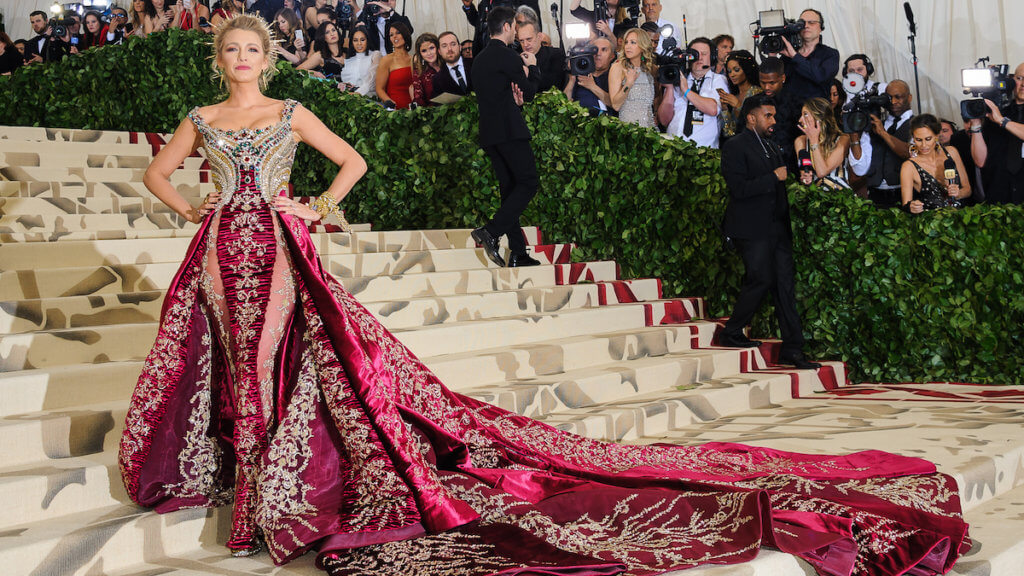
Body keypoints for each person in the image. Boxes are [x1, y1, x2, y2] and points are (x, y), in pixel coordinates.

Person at [119, 15, 970, 574]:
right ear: (218, 59)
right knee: (230, 359)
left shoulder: (289, 109)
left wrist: (316, 205)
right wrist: (195, 202)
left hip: (275, 242)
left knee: (266, 356)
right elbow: (158, 172)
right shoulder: (202, 115)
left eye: (251, 51)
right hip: (215, 245)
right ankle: (249, 487)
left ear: (267, 58)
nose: (241, 60)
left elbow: (354, 162)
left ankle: (259, 511)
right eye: (231, 51)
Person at [720, 93, 821, 370]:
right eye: (768, 115)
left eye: (774, 115)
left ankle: (793, 348)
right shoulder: (735, 146)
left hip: (777, 226)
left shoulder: (772, 145)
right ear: (751, 118)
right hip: (751, 228)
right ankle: (732, 330)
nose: (773, 120)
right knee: (761, 279)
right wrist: (772, 178)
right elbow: (738, 189)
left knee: (785, 287)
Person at [470, 6, 541, 268]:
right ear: (508, 26)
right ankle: (490, 231)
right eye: (515, 27)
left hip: (489, 134)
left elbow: (500, 95)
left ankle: (519, 253)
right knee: (528, 182)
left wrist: (515, 100)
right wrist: (532, 68)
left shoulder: (478, 59)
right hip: (510, 130)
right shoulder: (509, 56)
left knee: (510, 190)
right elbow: (530, 91)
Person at [969, 63, 1024, 205]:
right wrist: (975, 125)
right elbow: (980, 161)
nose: (1023, 84)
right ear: (1012, 80)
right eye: (1019, 78)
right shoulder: (997, 113)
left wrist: (1002, 121)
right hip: (998, 196)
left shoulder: (999, 117)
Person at [663, 37, 729, 147]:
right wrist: (669, 88)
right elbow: (664, 120)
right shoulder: (677, 79)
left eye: (704, 54)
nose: (699, 58)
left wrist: (686, 90)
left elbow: (713, 109)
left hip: (705, 152)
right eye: (695, 54)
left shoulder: (719, 80)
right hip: (673, 149)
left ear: (712, 57)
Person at [900, 114, 971, 213]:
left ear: (937, 136)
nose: (924, 145)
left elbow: (967, 189)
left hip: (960, 220)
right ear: (913, 138)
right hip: (931, 224)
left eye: (928, 139)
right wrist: (912, 207)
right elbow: (906, 205)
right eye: (918, 140)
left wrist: (958, 193)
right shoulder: (908, 167)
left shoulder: (951, 152)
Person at [862, 79, 914, 208]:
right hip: (875, 192)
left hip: (903, 191)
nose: (893, 102)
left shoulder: (917, 125)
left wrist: (883, 133)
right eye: (889, 97)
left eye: (898, 97)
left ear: (909, 97)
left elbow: (909, 153)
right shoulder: (877, 123)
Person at [775, 8, 839, 102]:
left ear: (821, 28)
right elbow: (774, 80)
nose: (806, 26)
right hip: (788, 111)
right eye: (802, 23)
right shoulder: (787, 55)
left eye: (811, 22)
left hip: (816, 112)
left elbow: (820, 77)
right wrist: (772, 57)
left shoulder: (830, 54)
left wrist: (795, 56)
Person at [795, 97, 851, 190]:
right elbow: (804, 170)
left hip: (840, 196)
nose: (800, 120)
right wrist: (805, 178)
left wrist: (813, 140)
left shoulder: (843, 139)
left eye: (805, 114)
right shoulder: (801, 141)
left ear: (819, 117)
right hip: (815, 196)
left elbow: (822, 172)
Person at [758, 56, 801, 170]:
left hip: (791, 165)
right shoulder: (753, 103)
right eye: (763, 82)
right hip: (760, 165)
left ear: (783, 78)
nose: (767, 87)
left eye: (772, 83)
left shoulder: (796, 102)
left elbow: (802, 136)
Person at [609, 27, 656, 129]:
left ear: (642, 45)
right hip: (629, 132)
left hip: (650, 131)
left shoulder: (649, 69)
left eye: (633, 42)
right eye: (626, 42)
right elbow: (616, 105)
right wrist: (628, 84)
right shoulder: (618, 67)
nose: (628, 46)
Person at [461, 0, 542, 56]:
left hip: (512, 53)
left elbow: (533, 25)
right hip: (485, 53)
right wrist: (469, 7)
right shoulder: (484, 2)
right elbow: (480, 24)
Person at [564, 35, 615, 116]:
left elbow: (615, 104)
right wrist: (572, 78)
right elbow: (564, 103)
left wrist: (592, 86)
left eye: (604, 50)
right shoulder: (580, 73)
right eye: (595, 50)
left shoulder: (615, 76)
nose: (598, 53)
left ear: (612, 56)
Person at [718, 49, 761, 141]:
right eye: (729, 71)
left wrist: (738, 106)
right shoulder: (733, 95)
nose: (732, 74)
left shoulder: (758, 93)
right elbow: (729, 132)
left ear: (746, 69)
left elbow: (756, 127)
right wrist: (725, 109)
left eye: (736, 70)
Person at [516, 21, 566, 92]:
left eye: (529, 39)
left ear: (539, 36)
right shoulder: (516, 58)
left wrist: (531, 70)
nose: (525, 44)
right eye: (521, 41)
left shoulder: (555, 54)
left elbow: (555, 84)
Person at [374, 21, 413, 108]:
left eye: (398, 33)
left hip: (416, 109)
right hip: (396, 111)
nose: (394, 36)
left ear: (405, 34)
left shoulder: (414, 59)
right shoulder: (386, 60)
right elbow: (379, 89)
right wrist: (389, 102)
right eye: (391, 35)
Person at [337, 26, 380, 96]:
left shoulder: (375, 55)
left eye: (362, 40)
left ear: (367, 40)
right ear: (352, 42)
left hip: (369, 98)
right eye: (355, 40)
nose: (359, 43)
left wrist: (358, 93)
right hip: (349, 98)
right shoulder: (348, 60)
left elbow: (372, 78)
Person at [433, 30, 473, 96]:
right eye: (444, 46)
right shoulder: (437, 79)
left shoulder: (476, 64)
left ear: (460, 47)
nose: (449, 49)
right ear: (439, 51)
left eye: (453, 44)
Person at [410, 32, 443, 107]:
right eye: (424, 51)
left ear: (438, 48)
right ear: (420, 54)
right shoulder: (419, 73)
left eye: (431, 48)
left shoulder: (447, 65)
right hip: (433, 114)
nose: (429, 53)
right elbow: (418, 99)